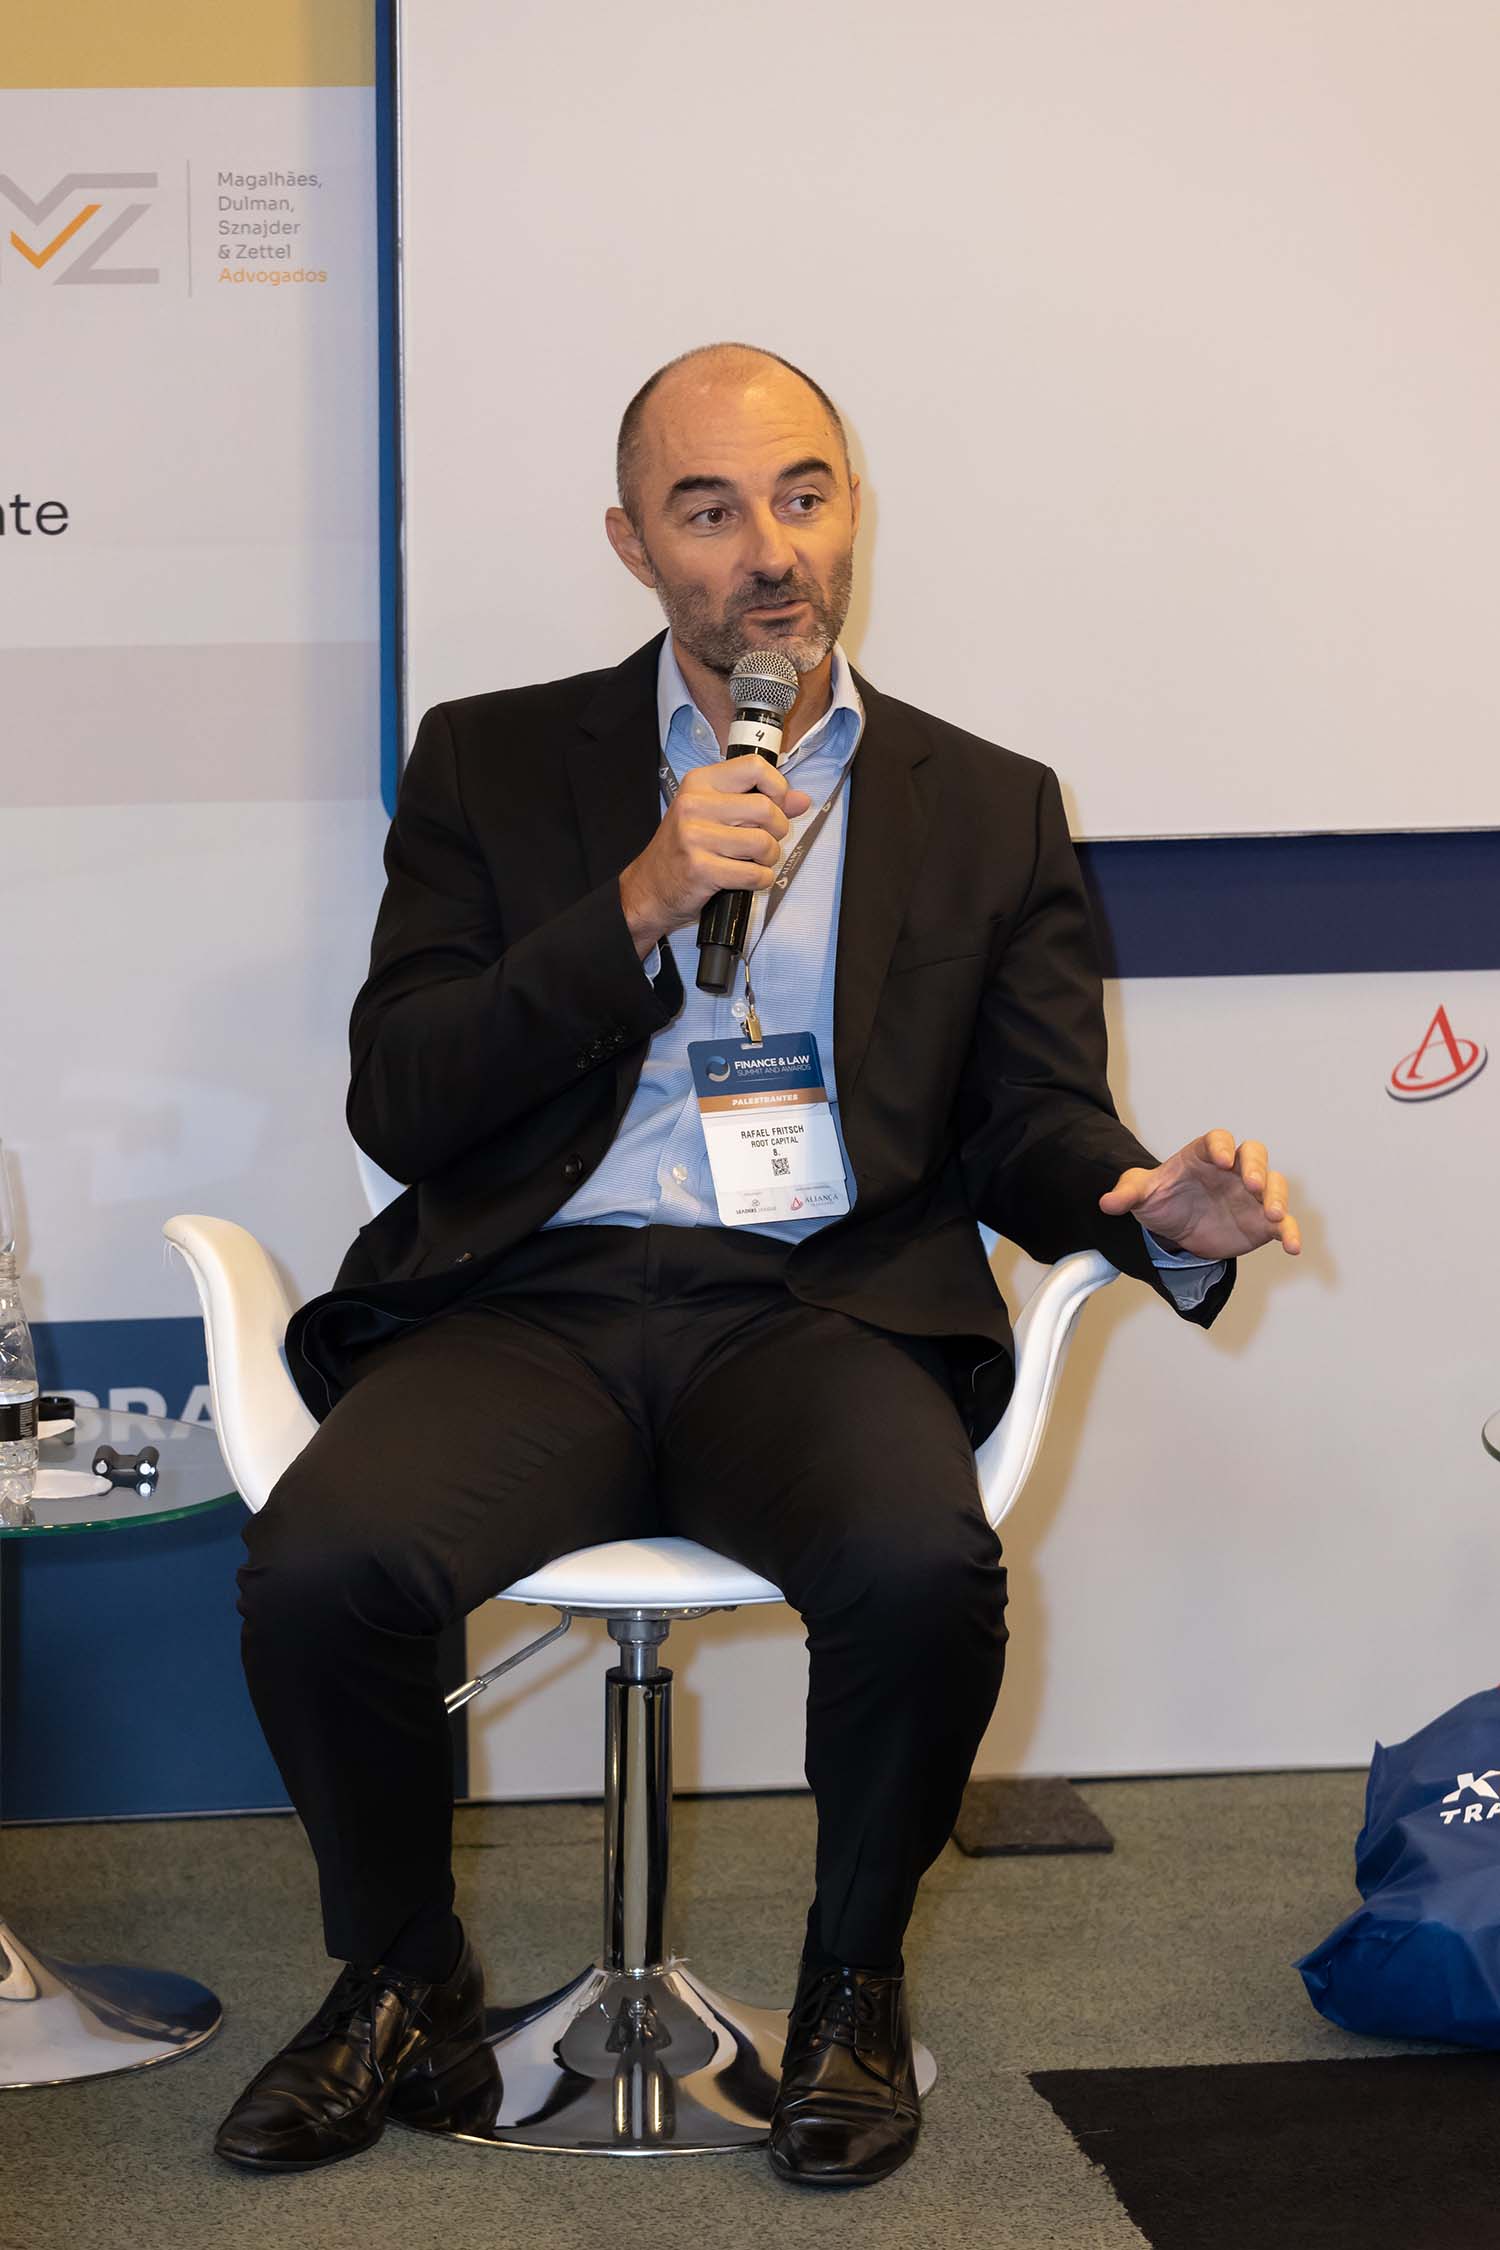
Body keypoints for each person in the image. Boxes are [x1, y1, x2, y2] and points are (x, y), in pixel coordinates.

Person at [214, 343, 1300, 2187]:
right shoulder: (490, 759)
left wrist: (1142, 1204)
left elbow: (1028, 1116)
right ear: (632, 544)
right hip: (535, 1301)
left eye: (803, 495)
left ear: (852, 507)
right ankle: (398, 1972)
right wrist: (638, 901)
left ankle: (852, 1983)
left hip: (818, 1307)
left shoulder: (987, 802)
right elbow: (402, 1092)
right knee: (321, 1565)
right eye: (709, 510)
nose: (770, 550)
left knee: (922, 1567)